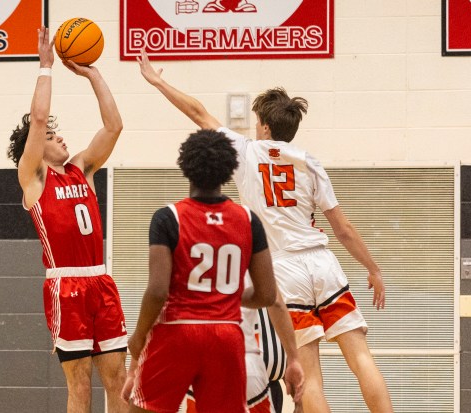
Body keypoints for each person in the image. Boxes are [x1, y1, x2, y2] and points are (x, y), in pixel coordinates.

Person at [137, 49, 394, 413]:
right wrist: (373, 268)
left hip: (285, 269)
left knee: (311, 374)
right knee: (361, 359)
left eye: (258, 121)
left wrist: (159, 81)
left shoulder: (246, 151)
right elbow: (344, 229)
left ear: (266, 127)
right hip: (323, 262)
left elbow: (198, 113)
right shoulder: (309, 162)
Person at [6, 27, 128, 413]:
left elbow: (114, 127)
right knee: (79, 387)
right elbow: (38, 119)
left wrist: (93, 74)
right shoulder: (34, 179)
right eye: (53, 136)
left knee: (119, 381)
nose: (61, 139)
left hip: (100, 280)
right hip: (66, 287)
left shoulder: (82, 169)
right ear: (37, 146)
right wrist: (46, 67)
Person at [121, 130, 277, 413]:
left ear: (186, 166)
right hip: (227, 338)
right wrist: (225, 296)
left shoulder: (169, 217)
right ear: (229, 169)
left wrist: (139, 334)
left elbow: (158, 291)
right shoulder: (247, 219)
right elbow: (267, 294)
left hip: (177, 333)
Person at [185, 284, 304, 413]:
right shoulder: (255, 270)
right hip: (249, 371)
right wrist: (293, 359)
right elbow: (276, 302)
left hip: (207, 366)